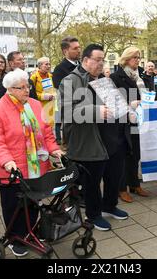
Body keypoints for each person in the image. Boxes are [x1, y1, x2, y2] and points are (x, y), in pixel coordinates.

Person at [0, 69, 63, 257]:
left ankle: (29, 231)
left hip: (36, 166)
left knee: (33, 202)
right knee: (13, 205)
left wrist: (56, 151)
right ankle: (14, 238)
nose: (26, 90)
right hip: (13, 168)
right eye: (21, 88)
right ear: (9, 89)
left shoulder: (35, 105)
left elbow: (47, 133)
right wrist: (7, 162)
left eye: (27, 86)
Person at [59, 44, 129, 231]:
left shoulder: (104, 81)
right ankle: (94, 214)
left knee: (114, 176)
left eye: (102, 60)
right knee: (92, 182)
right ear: (85, 60)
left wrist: (129, 106)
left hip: (112, 138)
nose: (101, 63)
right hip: (89, 141)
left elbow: (117, 105)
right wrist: (96, 111)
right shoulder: (70, 81)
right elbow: (67, 112)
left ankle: (110, 206)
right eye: (97, 60)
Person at [110, 47, 152, 203]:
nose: (138, 60)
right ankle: (122, 188)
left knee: (136, 153)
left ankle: (134, 184)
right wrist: (130, 104)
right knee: (123, 155)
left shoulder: (139, 77)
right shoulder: (116, 77)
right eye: (135, 57)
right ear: (126, 59)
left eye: (139, 57)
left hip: (137, 120)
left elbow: (146, 94)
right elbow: (114, 101)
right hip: (123, 122)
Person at [52, 36, 81, 145]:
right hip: (72, 115)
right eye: (75, 48)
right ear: (65, 51)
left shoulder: (84, 66)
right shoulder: (59, 69)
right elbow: (64, 93)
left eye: (79, 47)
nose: (79, 50)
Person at [30, 57, 55, 126]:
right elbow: (31, 94)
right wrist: (42, 96)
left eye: (49, 64)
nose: (49, 66)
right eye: (46, 64)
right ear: (40, 66)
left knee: (50, 129)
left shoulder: (50, 76)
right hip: (40, 107)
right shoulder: (34, 77)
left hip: (50, 107)